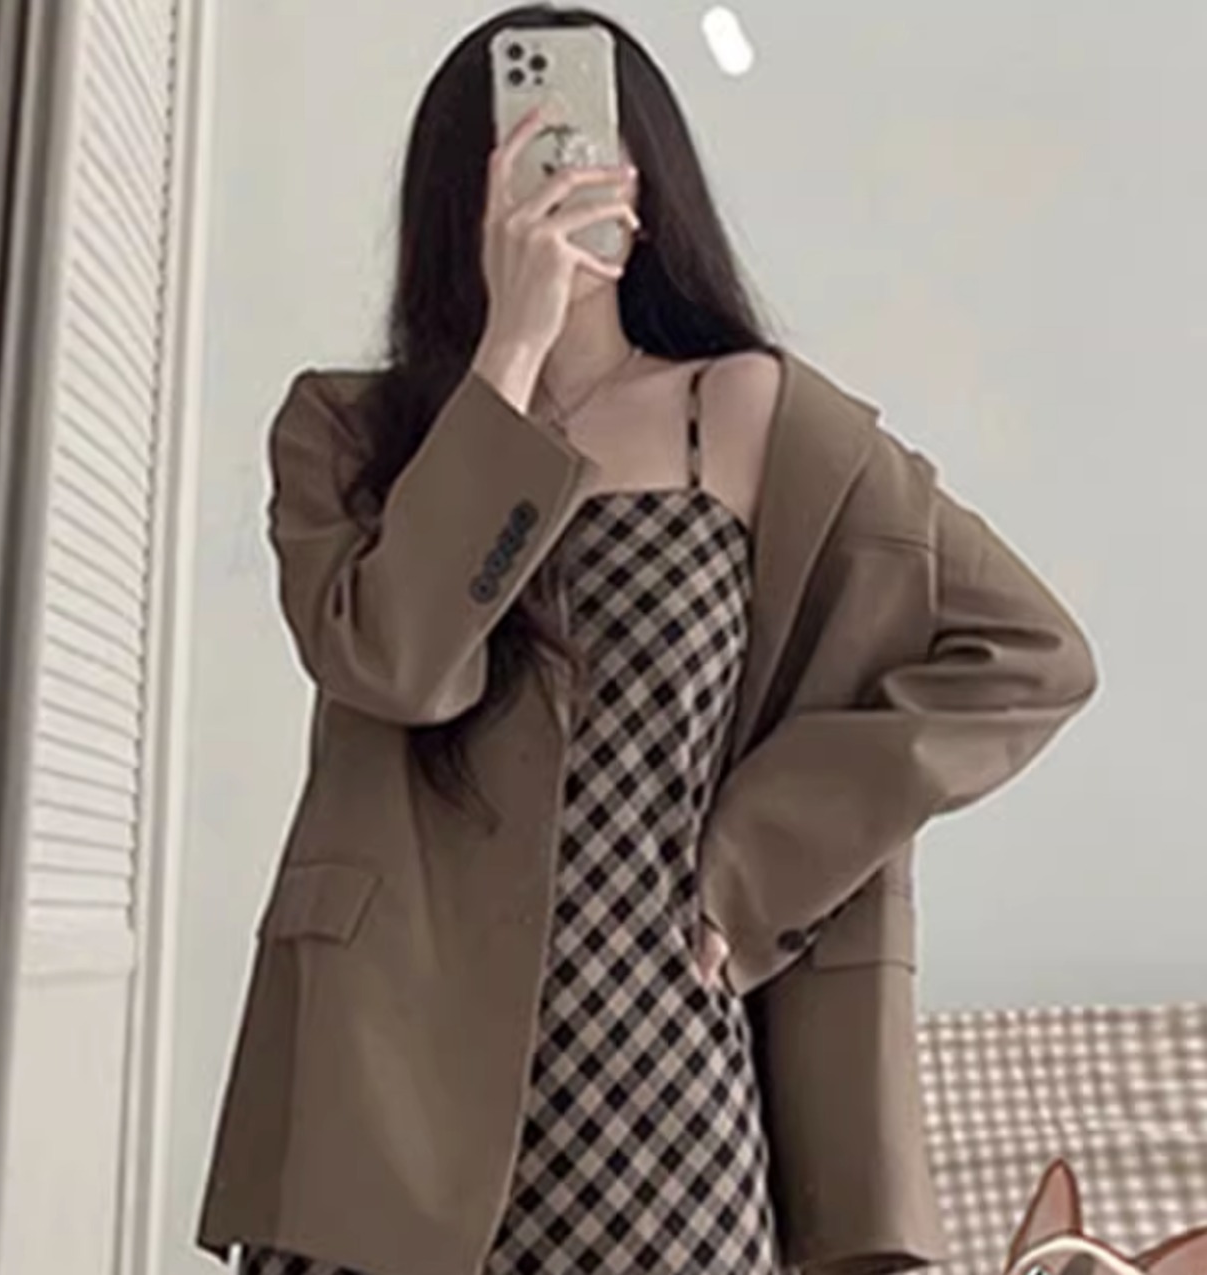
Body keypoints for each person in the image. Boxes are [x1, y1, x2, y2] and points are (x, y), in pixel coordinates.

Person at [196, 7, 1100, 1275]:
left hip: (658, 1059)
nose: (553, 181)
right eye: (517, 156)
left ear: (647, 180)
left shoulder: (754, 418)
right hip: (388, 1061)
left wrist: (765, 851)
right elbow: (398, 664)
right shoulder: (347, 433)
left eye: (579, 145)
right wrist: (512, 352)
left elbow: (1030, 653)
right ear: (457, 196)